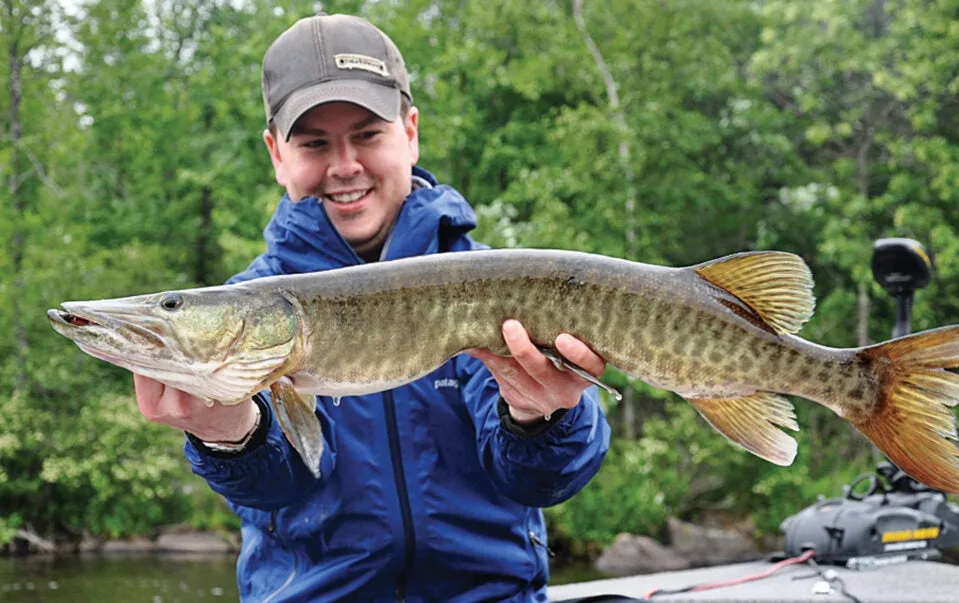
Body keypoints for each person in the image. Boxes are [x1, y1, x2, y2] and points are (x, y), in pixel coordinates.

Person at [133, 13, 612, 602]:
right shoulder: (251, 308)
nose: (344, 166)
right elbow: (279, 486)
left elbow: (542, 479)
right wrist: (229, 437)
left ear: (410, 132)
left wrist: (545, 418)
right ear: (276, 155)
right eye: (313, 143)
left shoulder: (490, 281)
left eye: (367, 134)